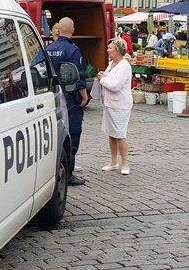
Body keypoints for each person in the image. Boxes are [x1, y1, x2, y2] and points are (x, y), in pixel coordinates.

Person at [46, 17, 89, 186]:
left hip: (52, 97)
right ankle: (68, 172)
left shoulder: (48, 49)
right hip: (70, 98)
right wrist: (84, 96)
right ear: (72, 30)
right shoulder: (72, 51)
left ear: (59, 30)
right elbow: (78, 76)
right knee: (73, 133)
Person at [97, 38, 133, 175]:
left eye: (110, 48)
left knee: (120, 134)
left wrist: (102, 79)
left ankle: (125, 163)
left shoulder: (124, 66)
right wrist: (104, 75)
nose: (108, 50)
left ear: (118, 50)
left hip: (120, 105)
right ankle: (113, 161)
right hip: (110, 104)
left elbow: (115, 86)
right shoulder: (112, 63)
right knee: (111, 133)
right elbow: (108, 77)